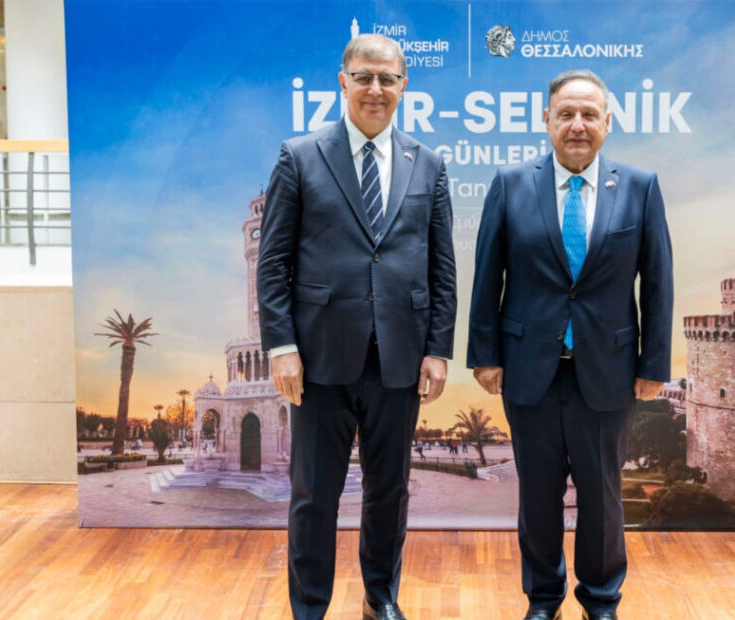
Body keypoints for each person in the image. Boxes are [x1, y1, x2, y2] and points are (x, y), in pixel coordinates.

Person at [256, 33, 456, 620]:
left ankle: (380, 598)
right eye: (364, 77)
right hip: (317, 359)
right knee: (313, 494)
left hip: (399, 358)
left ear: (403, 86)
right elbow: (273, 261)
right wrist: (281, 345)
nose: (375, 88)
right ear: (342, 82)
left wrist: (438, 348)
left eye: (387, 78)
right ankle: (309, 608)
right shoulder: (299, 156)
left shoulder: (430, 164)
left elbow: (441, 267)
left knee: (389, 490)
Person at [467, 69, 674, 620]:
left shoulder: (640, 187)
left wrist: (654, 363)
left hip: (608, 371)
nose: (577, 125)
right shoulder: (511, 184)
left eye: (588, 114)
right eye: (566, 114)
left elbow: (657, 280)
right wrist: (484, 355)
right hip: (528, 369)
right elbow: (488, 275)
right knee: (537, 495)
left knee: (602, 495)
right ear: (546, 121)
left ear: (607, 122)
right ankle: (543, 599)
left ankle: (601, 600)